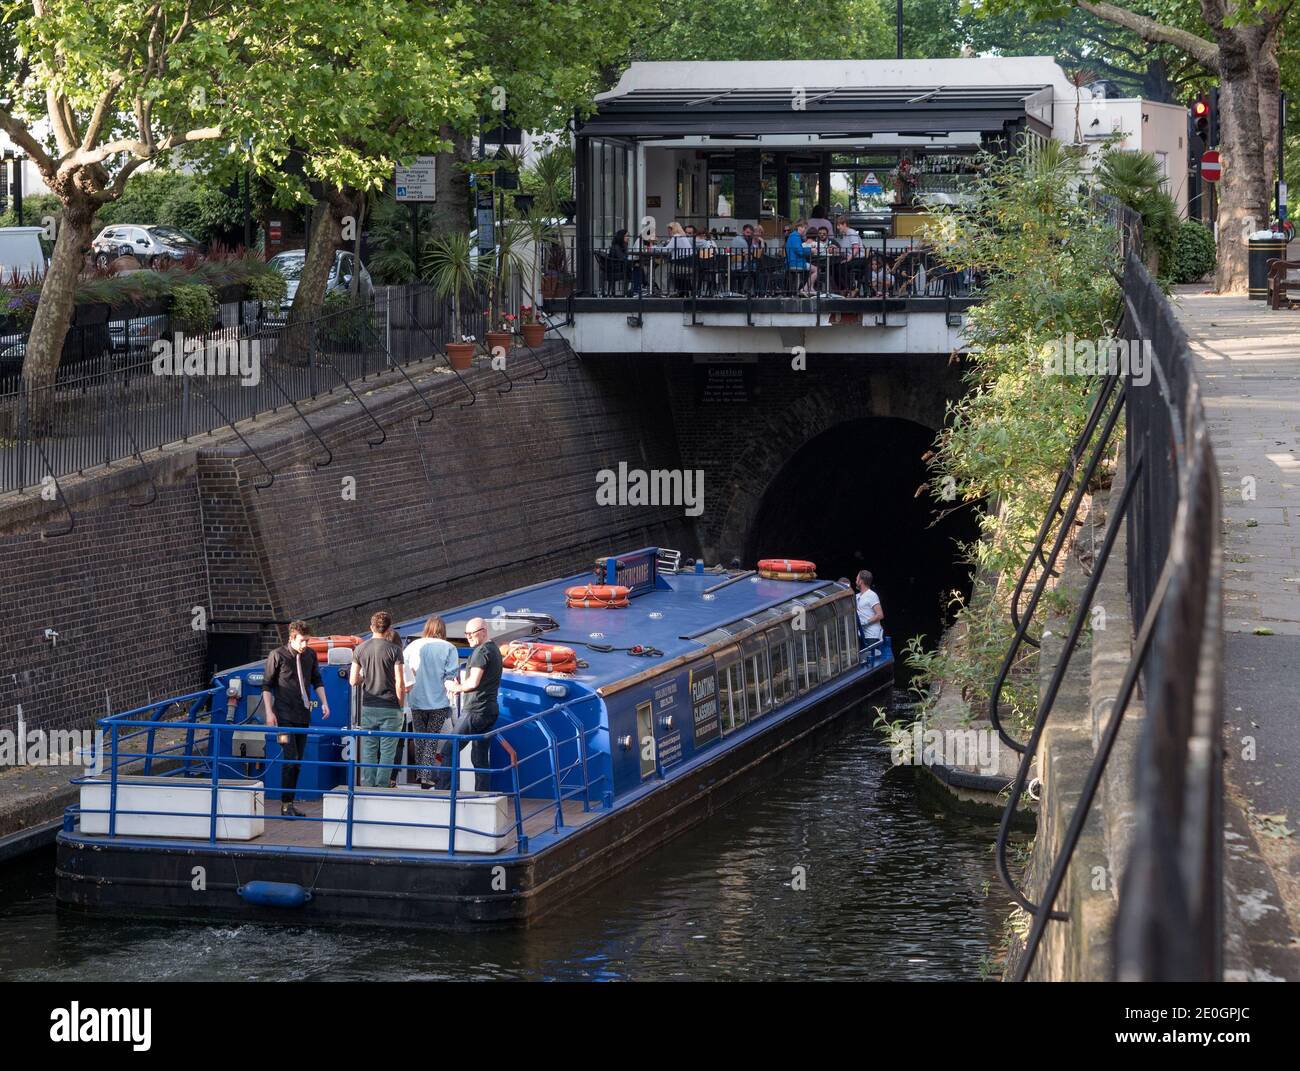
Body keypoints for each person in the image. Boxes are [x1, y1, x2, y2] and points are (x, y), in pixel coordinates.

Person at [262, 620, 331, 817]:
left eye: (307, 641)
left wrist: (324, 702)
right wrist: (269, 712)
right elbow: (267, 685)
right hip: (284, 717)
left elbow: (317, 680)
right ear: (291, 638)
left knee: (298, 759)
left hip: (302, 715)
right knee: (289, 757)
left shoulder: (309, 655)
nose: (305, 645)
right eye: (302, 641)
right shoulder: (277, 655)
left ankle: (290, 802)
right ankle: (285, 804)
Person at [441, 617, 503, 792]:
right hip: (490, 710)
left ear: (483, 631)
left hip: (475, 710)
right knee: (480, 757)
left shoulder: (481, 652)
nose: (468, 637)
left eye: (472, 634)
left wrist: (456, 687)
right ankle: (482, 795)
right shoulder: (495, 650)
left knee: (449, 750)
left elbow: (473, 682)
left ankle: (445, 793)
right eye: (466, 634)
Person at [350, 611, 406, 789]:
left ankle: (368, 785)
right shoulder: (395, 650)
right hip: (390, 706)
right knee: (388, 750)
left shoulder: (360, 649)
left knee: (369, 748)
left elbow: (353, 680)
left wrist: (364, 677)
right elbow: (400, 682)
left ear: (371, 627)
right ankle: (382, 786)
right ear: (389, 628)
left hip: (368, 705)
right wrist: (401, 705)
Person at [402, 616, 459, 790]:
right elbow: (450, 675)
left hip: (416, 700)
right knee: (432, 739)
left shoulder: (412, 646)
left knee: (420, 738)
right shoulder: (449, 648)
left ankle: (421, 773)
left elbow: (403, 668)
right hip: (439, 702)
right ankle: (425, 776)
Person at [785, 220, 819, 297]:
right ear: (798, 227)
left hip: (794, 261)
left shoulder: (793, 236)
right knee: (816, 269)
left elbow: (798, 250)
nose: (804, 230)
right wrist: (811, 250)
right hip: (796, 263)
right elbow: (799, 251)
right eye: (803, 227)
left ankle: (810, 288)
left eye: (805, 228)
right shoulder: (795, 236)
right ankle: (805, 288)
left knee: (812, 269)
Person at [607, 228, 644, 295]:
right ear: (621, 236)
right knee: (637, 267)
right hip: (616, 269)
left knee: (638, 266)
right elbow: (622, 258)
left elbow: (624, 258)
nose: (628, 238)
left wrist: (632, 261)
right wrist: (632, 261)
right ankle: (638, 287)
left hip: (621, 266)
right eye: (626, 236)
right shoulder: (616, 247)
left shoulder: (622, 246)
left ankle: (637, 288)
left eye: (628, 236)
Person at [855, 571, 885, 648]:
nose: (855, 580)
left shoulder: (871, 595)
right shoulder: (857, 596)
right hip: (861, 635)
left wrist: (865, 622)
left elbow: (880, 615)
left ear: (861, 581)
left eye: (857, 578)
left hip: (872, 636)